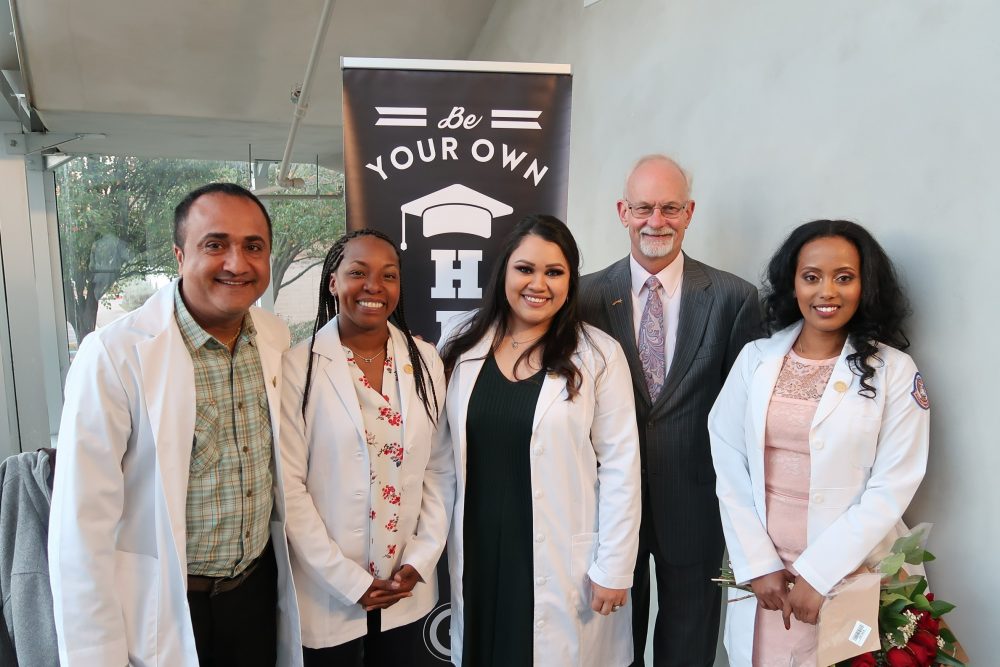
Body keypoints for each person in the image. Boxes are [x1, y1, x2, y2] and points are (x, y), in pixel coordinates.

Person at [49, 183, 301, 666]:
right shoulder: (115, 355)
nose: (237, 262)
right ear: (180, 254)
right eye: (215, 244)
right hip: (167, 605)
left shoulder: (272, 336)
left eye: (253, 247)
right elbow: (80, 529)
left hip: (254, 593)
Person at [708, 220, 930, 666]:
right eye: (812, 277)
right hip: (765, 579)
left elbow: (893, 486)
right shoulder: (756, 359)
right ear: (793, 284)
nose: (826, 291)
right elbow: (728, 463)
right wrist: (757, 563)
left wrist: (818, 573)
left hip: (851, 570)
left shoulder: (895, 371)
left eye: (843, 277)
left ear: (865, 286)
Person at [578, 154, 760, 665]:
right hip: (606, 506)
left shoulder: (734, 299)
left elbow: (747, 414)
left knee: (690, 642)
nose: (656, 221)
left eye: (669, 208)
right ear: (622, 211)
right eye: (643, 208)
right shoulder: (583, 297)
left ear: (689, 212)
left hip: (697, 505)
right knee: (611, 642)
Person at [440, 214, 641, 666]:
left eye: (555, 272)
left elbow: (622, 466)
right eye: (525, 269)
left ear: (571, 280)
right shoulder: (459, 341)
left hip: (558, 552)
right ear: (503, 272)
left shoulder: (598, 354)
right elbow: (439, 458)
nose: (539, 283)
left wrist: (614, 566)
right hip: (478, 545)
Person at [279, 229, 451, 666]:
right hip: (328, 588)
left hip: (403, 586)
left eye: (388, 275)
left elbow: (439, 468)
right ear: (333, 282)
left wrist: (422, 559)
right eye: (358, 272)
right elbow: (289, 487)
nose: (374, 286)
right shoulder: (299, 365)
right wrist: (346, 580)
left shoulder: (426, 360)